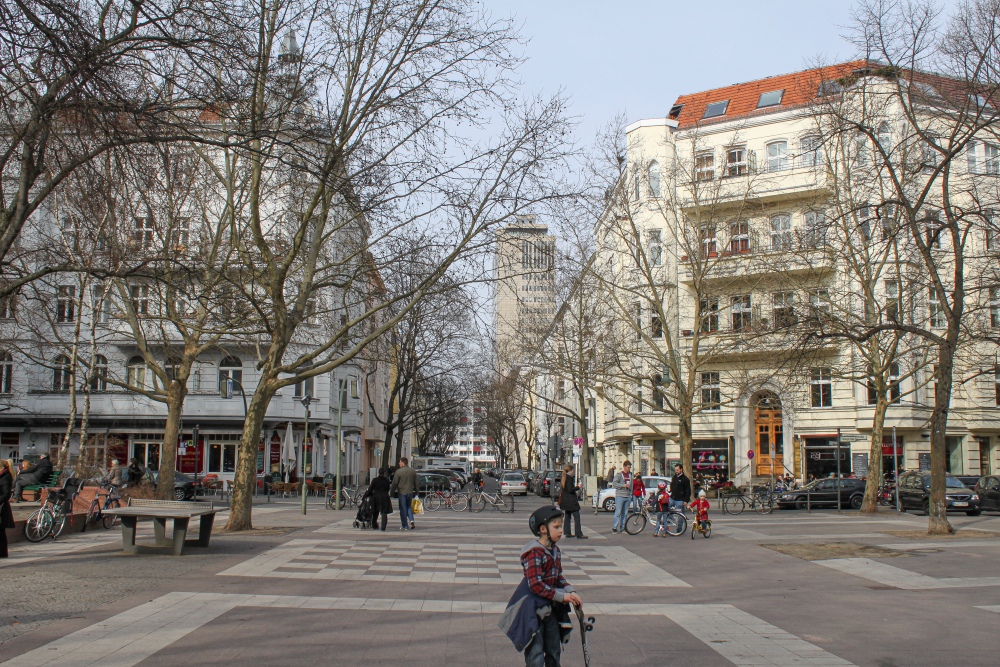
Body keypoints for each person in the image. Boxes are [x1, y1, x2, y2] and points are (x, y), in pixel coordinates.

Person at [499, 506, 583, 667]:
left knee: (553, 649)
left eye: (561, 526)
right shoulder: (535, 553)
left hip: (549, 609)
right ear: (543, 529)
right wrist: (562, 596)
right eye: (556, 527)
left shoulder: (555, 551)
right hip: (532, 610)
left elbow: (558, 577)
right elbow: (535, 585)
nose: (561, 531)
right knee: (535, 653)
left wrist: (571, 591)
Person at [558, 464, 587, 540]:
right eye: (572, 470)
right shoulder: (569, 478)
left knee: (567, 516)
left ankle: (567, 532)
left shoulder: (564, 477)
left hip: (565, 501)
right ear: (570, 471)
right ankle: (578, 533)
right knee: (577, 517)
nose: (573, 471)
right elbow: (570, 489)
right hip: (571, 501)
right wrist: (578, 487)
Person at [389, 456, 417, 530]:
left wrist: (391, 493)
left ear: (403, 463)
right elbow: (416, 482)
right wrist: (417, 492)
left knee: (403, 508)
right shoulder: (412, 471)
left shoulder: (399, 471)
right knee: (408, 506)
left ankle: (405, 525)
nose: (399, 463)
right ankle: (411, 520)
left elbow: (394, 483)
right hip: (410, 492)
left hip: (402, 492)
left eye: (400, 462)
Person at [610, 461, 633, 533]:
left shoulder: (630, 475)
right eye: (628, 467)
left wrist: (631, 494)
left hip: (628, 496)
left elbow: (632, 485)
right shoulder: (619, 475)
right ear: (624, 467)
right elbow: (614, 484)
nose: (629, 469)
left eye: (630, 467)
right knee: (618, 513)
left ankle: (623, 527)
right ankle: (614, 527)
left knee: (625, 513)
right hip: (620, 495)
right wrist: (623, 485)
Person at [0, 459, 15, 557]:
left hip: (2, 507)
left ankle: (2, 553)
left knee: (1, 531)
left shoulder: (5, 477)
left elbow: (6, 494)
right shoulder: (3, 476)